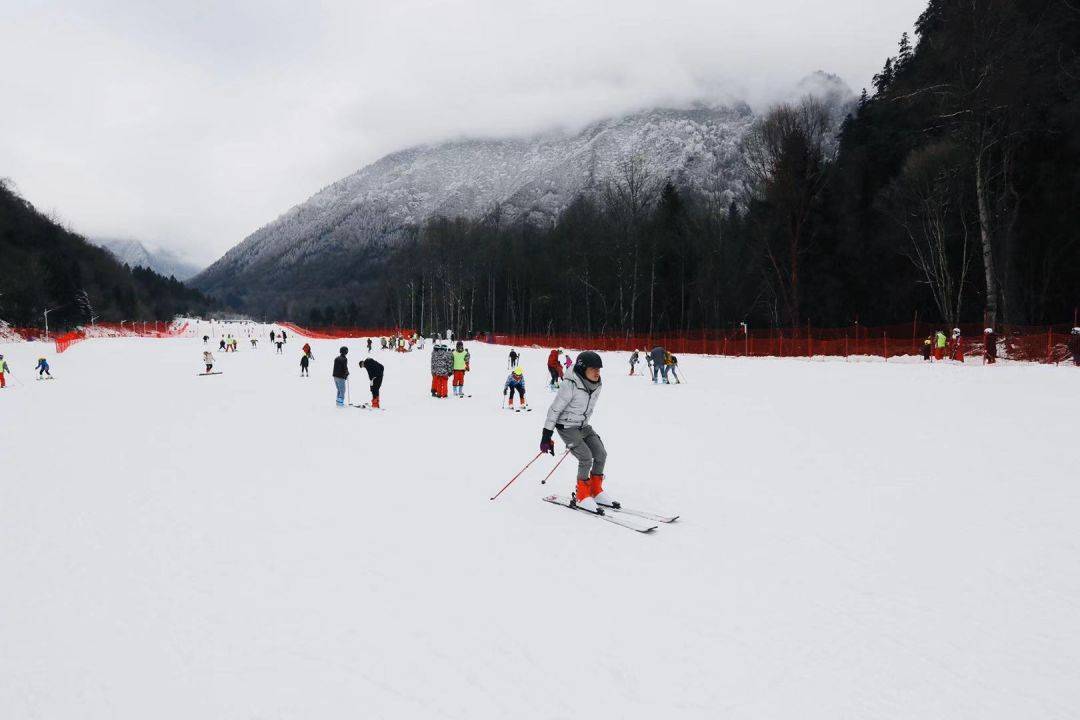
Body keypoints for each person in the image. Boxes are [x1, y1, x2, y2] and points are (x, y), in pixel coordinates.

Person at [540, 351, 618, 514]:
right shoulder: (570, 385)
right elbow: (554, 409)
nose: (597, 372)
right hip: (567, 427)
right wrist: (546, 436)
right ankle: (582, 495)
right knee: (585, 456)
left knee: (601, 453)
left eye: (599, 369)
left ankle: (595, 491)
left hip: (583, 426)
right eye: (593, 369)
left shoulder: (597, 384)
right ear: (583, 369)